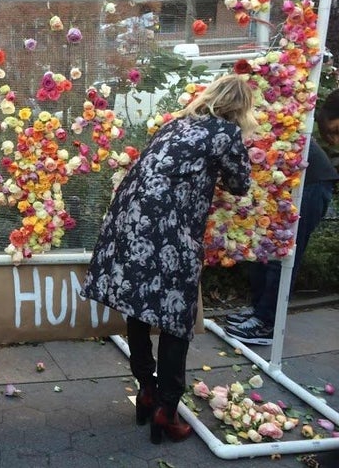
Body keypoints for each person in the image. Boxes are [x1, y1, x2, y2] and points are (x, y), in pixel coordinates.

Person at [82, 74, 257, 445]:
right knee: (177, 317)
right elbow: (241, 184)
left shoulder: (176, 124)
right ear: (239, 109)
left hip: (131, 219)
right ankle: (167, 408)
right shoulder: (225, 133)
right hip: (171, 228)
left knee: (140, 306)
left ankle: (147, 389)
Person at [224, 89, 339, 344]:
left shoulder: (260, 119)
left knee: (282, 254)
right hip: (288, 187)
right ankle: (258, 311)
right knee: (261, 250)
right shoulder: (249, 120)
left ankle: (266, 323)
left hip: (310, 186)